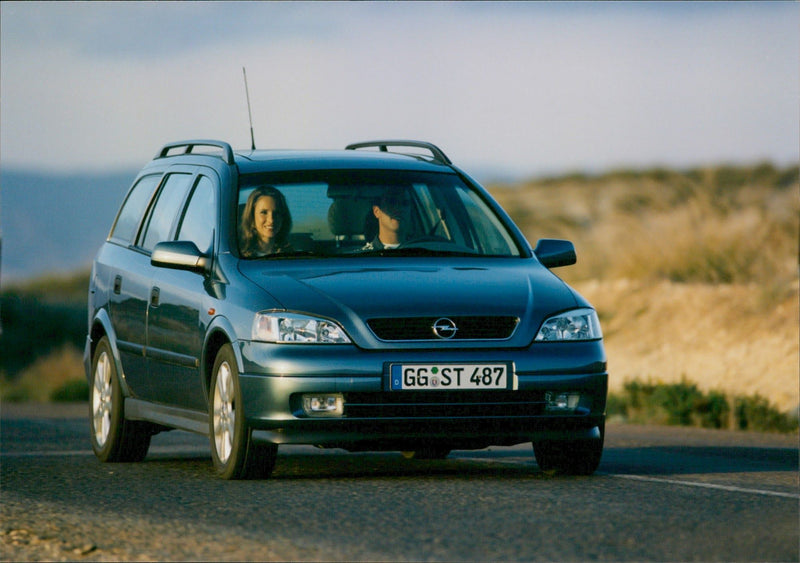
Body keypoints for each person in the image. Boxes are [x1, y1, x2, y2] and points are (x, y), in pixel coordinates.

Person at [239, 186, 293, 257]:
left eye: (276, 213)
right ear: (251, 217)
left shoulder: (292, 257)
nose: (271, 220)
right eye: (264, 212)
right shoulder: (239, 257)